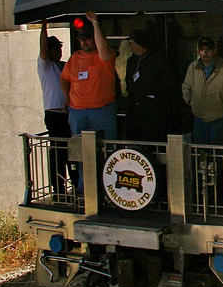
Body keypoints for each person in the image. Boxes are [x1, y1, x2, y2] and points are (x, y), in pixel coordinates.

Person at [60, 11, 117, 188]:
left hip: (102, 111)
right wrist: (67, 99)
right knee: (81, 154)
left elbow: (103, 48)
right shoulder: (74, 58)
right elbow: (64, 78)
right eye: (81, 39)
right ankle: (84, 189)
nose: (84, 42)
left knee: (106, 152)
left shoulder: (103, 57)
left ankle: (107, 188)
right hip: (77, 113)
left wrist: (95, 23)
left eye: (88, 38)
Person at [181, 37, 223, 145]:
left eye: (208, 49)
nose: (205, 53)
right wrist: (190, 101)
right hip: (199, 117)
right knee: (200, 152)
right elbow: (186, 87)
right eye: (202, 50)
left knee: (218, 153)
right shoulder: (192, 67)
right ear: (198, 52)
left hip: (221, 117)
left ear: (215, 50)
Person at [37, 19, 72, 194]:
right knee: (58, 152)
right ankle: (58, 189)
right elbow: (42, 48)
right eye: (56, 48)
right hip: (54, 114)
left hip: (68, 113)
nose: (59, 51)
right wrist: (44, 27)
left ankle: (75, 185)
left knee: (70, 150)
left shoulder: (64, 66)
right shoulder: (45, 66)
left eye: (60, 47)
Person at [124, 30, 173, 142]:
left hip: (153, 108)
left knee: (153, 139)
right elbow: (128, 82)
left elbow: (168, 83)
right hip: (134, 107)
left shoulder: (157, 59)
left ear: (140, 43)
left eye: (132, 41)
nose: (130, 44)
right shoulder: (131, 61)